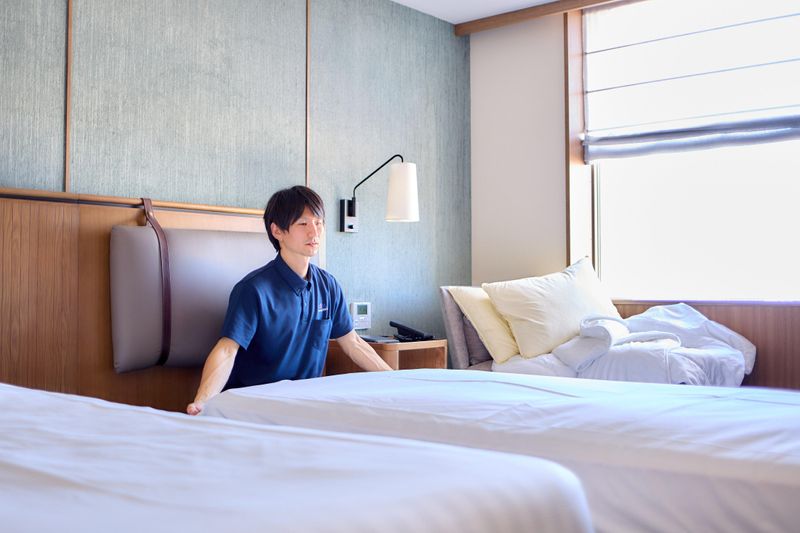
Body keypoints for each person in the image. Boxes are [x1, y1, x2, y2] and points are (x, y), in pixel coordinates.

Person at [186, 186, 391, 415]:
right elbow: (226, 350)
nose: (314, 232)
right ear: (277, 231)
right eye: (303, 224)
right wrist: (202, 401)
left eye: (319, 223)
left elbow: (353, 343)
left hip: (306, 405)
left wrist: (397, 379)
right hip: (256, 406)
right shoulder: (253, 290)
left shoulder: (328, 285)